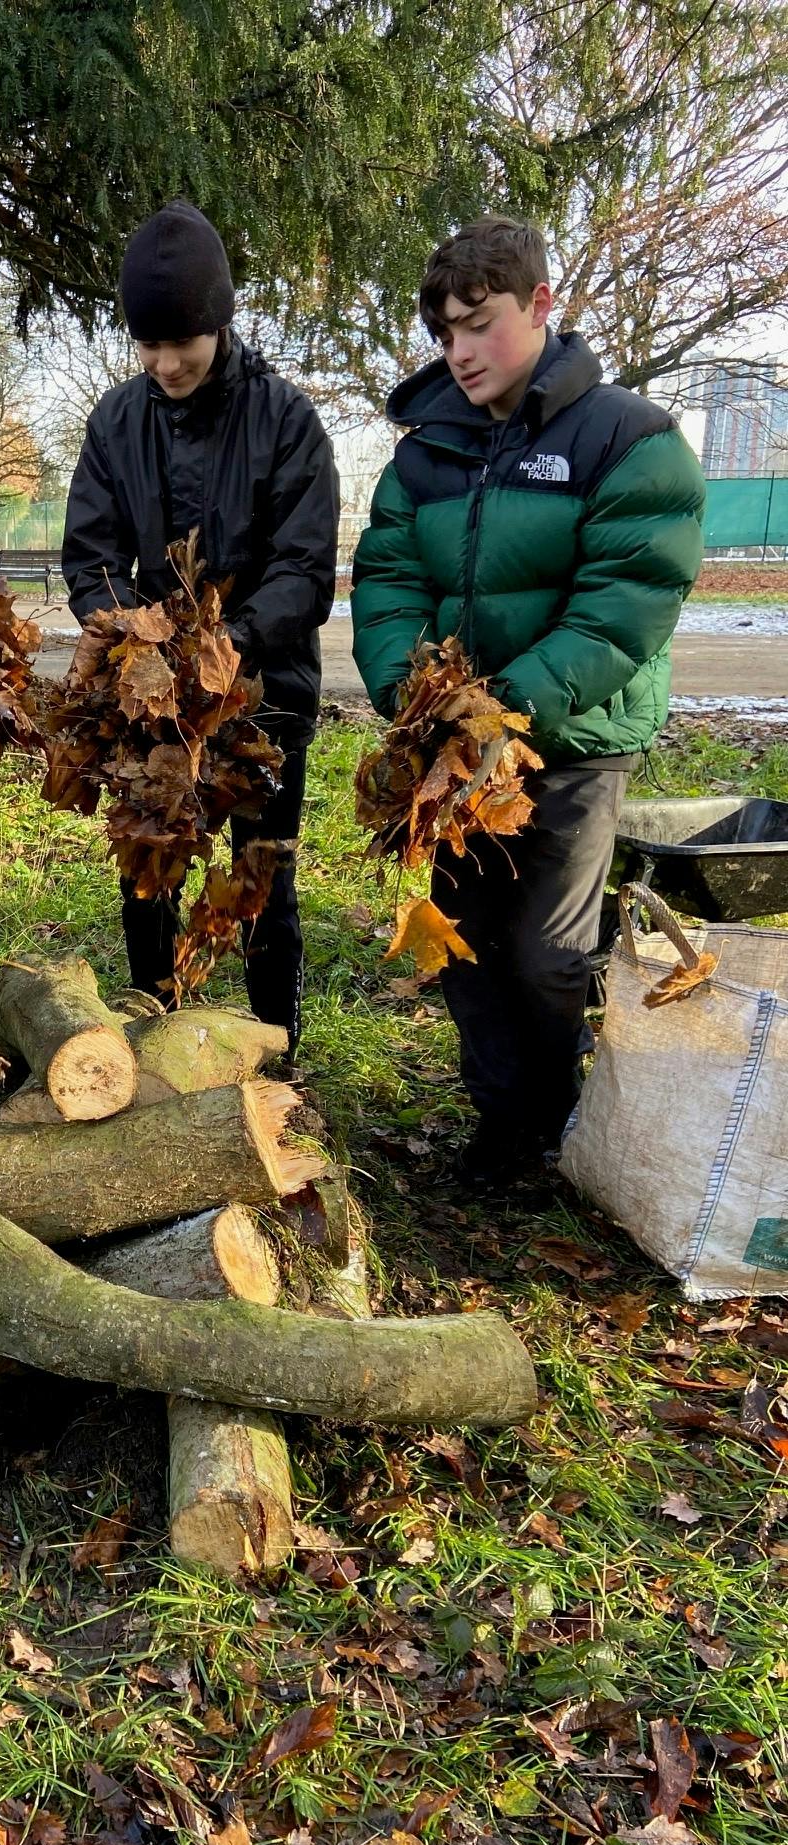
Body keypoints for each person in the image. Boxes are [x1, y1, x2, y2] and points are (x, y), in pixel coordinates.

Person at [351, 215, 705, 1188]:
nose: (460, 351)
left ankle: (555, 1126)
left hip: (575, 746)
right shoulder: (424, 453)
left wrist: (500, 713)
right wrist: (409, 694)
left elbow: (622, 609)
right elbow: (386, 578)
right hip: (451, 756)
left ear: (542, 305)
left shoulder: (630, 440)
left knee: (550, 955)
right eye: (444, 332)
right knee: (467, 946)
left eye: (479, 322)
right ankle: (506, 1131)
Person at [61, 201, 339, 1051]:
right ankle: (152, 1036)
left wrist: (229, 644)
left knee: (263, 881)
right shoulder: (116, 421)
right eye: (146, 344)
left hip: (262, 693)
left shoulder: (287, 422)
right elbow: (91, 559)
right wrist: (136, 634)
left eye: (180, 341)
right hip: (151, 701)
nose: (163, 361)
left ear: (219, 322)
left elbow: (305, 571)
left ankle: (275, 1050)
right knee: (149, 872)